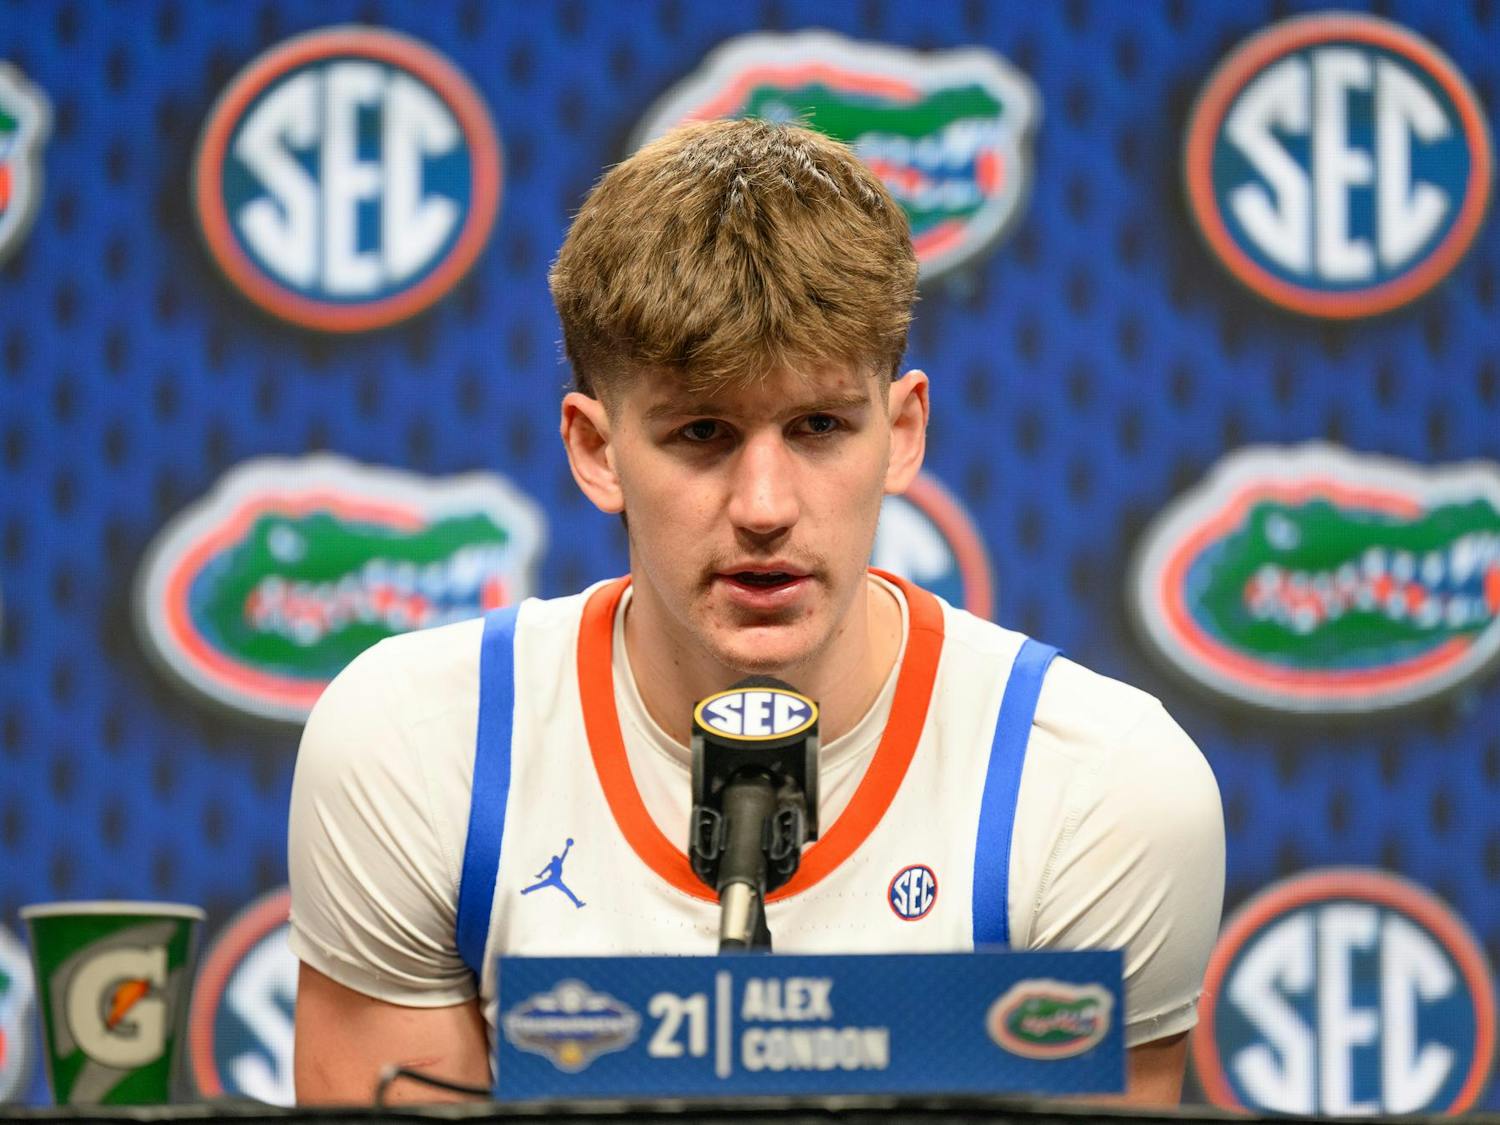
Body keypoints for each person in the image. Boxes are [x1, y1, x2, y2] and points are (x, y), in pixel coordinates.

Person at [288, 118, 1224, 1106]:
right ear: (596, 449)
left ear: (902, 433)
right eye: (702, 433)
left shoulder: (1098, 787)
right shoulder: (420, 746)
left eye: (819, 427)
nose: (765, 507)